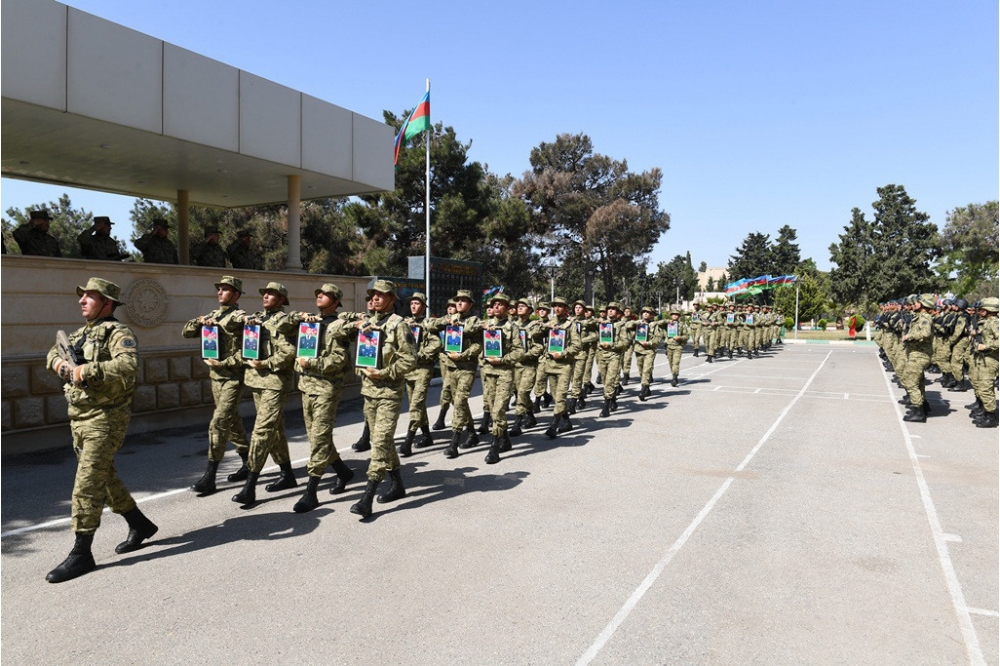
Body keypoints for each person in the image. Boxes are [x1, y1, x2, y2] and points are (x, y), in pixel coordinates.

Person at [44, 278, 157, 583]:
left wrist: (87, 369)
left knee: (87, 483)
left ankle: (82, 553)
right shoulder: (80, 334)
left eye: (90, 297)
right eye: (82, 296)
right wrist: (64, 367)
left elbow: (128, 365)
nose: (82, 301)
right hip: (79, 418)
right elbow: (53, 353)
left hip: (106, 419)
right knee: (104, 478)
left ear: (107, 303)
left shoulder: (119, 333)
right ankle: (139, 523)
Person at [349, 280, 417, 519]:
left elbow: (410, 360)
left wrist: (385, 373)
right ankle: (397, 484)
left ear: (392, 299)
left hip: (389, 392)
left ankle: (367, 497)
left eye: (381, 294)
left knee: (379, 442)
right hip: (369, 392)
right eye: (373, 295)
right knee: (384, 441)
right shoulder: (368, 323)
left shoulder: (399, 325)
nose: (375, 298)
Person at [290, 283, 357, 512]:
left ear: (336, 302)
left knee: (319, 438)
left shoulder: (338, 326)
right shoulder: (310, 323)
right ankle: (343, 472)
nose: (319, 296)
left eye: (325, 294)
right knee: (317, 437)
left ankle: (311, 492)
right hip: (307, 386)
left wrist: (311, 363)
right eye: (318, 293)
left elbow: (340, 360)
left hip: (327, 389)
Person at [182, 276, 251, 495]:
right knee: (232, 423)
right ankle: (248, 462)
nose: (220, 292)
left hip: (233, 378)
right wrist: (200, 322)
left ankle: (210, 477)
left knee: (219, 423)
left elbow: (249, 350)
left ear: (236, 294)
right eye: (219, 289)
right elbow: (187, 332)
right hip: (216, 378)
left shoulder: (240, 317)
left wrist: (225, 362)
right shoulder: (212, 315)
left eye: (225, 289)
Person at [231, 282, 298, 505]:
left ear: (281, 299)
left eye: (271, 294)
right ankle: (287, 474)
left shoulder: (283, 321)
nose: (266, 296)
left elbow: (288, 352)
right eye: (265, 293)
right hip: (257, 381)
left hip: (274, 383)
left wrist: (266, 363)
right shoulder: (257, 318)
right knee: (275, 431)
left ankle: (250, 485)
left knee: (262, 431)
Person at [430, 290, 483, 458]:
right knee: (458, 402)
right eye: (457, 300)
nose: (459, 303)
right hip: (451, 367)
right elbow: (430, 325)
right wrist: (447, 321)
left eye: (463, 300)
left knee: (460, 401)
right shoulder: (449, 319)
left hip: (466, 368)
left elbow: (478, 344)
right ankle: (472, 433)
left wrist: (464, 355)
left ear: (470, 304)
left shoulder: (474, 320)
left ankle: (454, 442)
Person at [479, 293, 524, 463]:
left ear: (507, 308)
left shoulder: (512, 327)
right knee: (493, 410)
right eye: (494, 304)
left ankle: (494, 447)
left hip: (504, 372)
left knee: (498, 410)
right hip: (489, 372)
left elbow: (519, 352)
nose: (496, 306)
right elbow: (469, 332)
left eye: (500, 304)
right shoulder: (485, 324)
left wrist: (503, 359)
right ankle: (505, 439)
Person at [401, 292, 442, 456]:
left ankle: (408, 440)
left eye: (417, 303)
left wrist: (420, 355)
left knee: (416, 403)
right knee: (415, 402)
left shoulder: (428, 324)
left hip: (423, 368)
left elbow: (436, 344)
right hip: (409, 369)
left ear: (424, 307)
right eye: (412, 303)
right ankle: (426, 435)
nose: (413, 306)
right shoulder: (405, 323)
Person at [540, 296, 582, 438]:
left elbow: (577, 345)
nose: (557, 308)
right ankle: (567, 422)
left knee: (561, 396)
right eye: (555, 306)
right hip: (551, 364)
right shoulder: (549, 323)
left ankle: (554, 425)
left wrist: (563, 353)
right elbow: (534, 333)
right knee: (555, 396)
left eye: (560, 306)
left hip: (564, 365)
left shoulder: (571, 325)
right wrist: (545, 327)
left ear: (566, 309)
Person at [510, 298, 545, 437]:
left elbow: (539, 347)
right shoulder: (511, 325)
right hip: (514, 365)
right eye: (518, 305)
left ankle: (517, 423)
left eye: (523, 306)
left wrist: (526, 355)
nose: (519, 307)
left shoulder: (535, 326)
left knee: (523, 393)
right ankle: (531, 416)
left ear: (529, 310)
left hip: (529, 365)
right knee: (518, 392)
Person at [899, 294, 935, 423]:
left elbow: (925, 333)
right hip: (916, 352)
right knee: (918, 382)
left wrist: (909, 336)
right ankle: (923, 406)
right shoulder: (918, 317)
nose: (913, 304)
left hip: (920, 354)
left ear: (923, 305)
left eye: (916, 303)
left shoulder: (925, 318)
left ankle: (918, 411)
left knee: (909, 382)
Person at [596, 302, 632, 417]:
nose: (610, 311)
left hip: (614, 356)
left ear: (618, 313)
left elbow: (625, 343)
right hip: (602, 355)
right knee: (604, 380)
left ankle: (605, 407)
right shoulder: (602, 324)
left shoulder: (621, 326)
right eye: (609, 309)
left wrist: (612, 345)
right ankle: (613, 400)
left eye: (613, 309)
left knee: (610, 381)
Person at [969, 297, 999, 428]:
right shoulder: (986, 322)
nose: (980, 311)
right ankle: (984, 411)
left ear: (990, 310)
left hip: (990, 359)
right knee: (980, 386)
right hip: (981, 358)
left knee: (986, 388)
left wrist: (986, 346)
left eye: (982, 309)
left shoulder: (995, 323)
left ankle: (991, 417)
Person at [432, 298, 458, 430]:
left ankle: (441, 418)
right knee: (449, 389)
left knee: (447, 389)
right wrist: (445, 321)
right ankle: (461, 415)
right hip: (444, 359)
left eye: (453, 306)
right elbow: (431, 326)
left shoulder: (463, 322)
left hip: (457, 361)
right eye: (449, 306)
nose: (450, 308)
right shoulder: (443, 321)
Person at [632, 306, 664, 400]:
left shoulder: (655, 325)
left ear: (652, 315)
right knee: (641, 370)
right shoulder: (638, 323)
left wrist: (649, 343)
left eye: (648, 312)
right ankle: (647, 388)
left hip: (650, 350)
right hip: (639, 349)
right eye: (644, 312)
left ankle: (643, 390)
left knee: (646, 370)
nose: (645, 313)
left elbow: (658, 338)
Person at [663, 308, 691, 387]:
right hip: (669, 346)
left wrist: (680, 338)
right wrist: (667, 321)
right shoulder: (667, 324)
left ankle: (674, 377)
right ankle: (674, 374)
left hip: (678, 346)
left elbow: (686, 336)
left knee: (676, 362)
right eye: (673, 314)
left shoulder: (682, 325)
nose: (674, 316)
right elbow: (659, 323)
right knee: (671, 363)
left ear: (679, 316)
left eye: (676, 315)